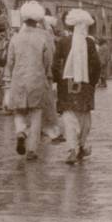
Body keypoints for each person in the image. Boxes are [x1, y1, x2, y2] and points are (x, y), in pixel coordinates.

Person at [3, 1, 53, 161]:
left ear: (24, 19)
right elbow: (48, 60)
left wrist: (10, 76)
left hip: (18, 78)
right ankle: (31, 149)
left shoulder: (15, 38)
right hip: (37, 79)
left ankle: (20, 132)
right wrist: (44, 72)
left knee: (18, 111)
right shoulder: (42, 38)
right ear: (38, 20)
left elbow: (9, 61)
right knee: (35, 113)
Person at [54, 9, 102, 164]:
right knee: (84, 117)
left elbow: (55, 65)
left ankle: (72, 149)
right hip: (85, 84)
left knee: (69, 116)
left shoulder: (63, 42)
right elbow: (97, 65)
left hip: (67, 84)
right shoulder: (89, 43)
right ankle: (81, 146)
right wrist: (92, 83)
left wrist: (59, 81)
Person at [41, 14, 65, 142]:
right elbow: (50, 57)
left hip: (32, 75)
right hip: (46, 74)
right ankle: (53, 132)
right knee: (48, 104)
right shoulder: (47, 37)